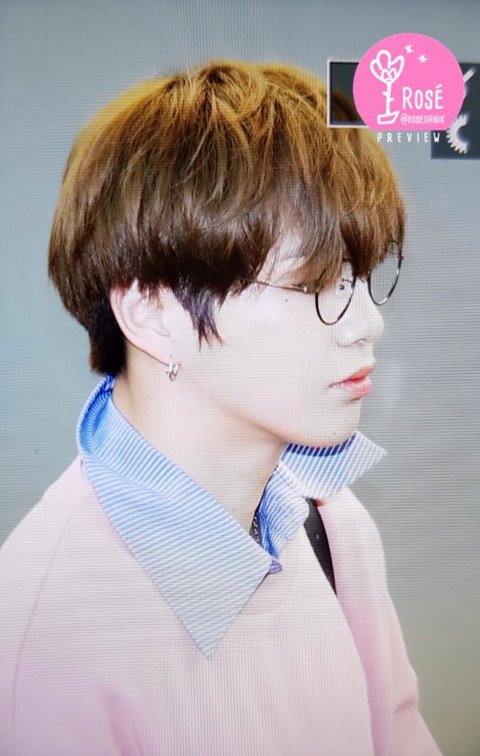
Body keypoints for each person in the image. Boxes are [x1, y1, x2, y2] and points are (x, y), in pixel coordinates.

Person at [0, 59, 442, 755]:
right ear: (151, 310)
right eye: (316, 283)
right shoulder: (43, 638)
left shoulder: (331, 528)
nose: (366, 323)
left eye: (361, 276)